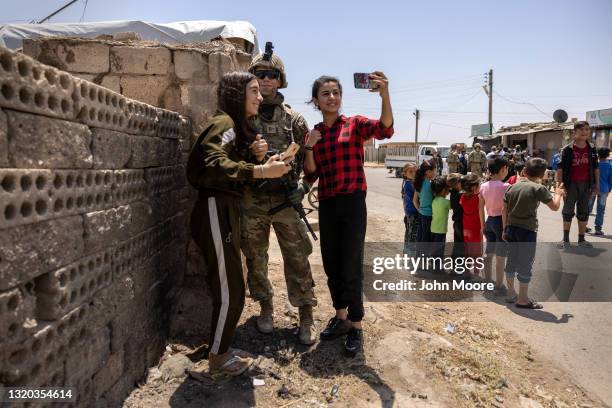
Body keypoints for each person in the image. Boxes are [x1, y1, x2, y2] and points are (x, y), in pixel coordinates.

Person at [186, 72, 291, 375]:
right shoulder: (225, 124)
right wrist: (259, 171)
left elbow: (228, 160)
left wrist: (256, 158)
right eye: (254, 91)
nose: (260, 97)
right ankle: (218, 361)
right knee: (230, 291)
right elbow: (213, 163)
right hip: (214, 208)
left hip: (224, 210)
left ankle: (222, 350)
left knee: (232, 287)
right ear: (236, 94)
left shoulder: (233, 127)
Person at [304, 72, 393, 357]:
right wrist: (308, 146)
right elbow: (311, 173)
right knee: (331, 263)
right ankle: (341, 317)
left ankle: (356, 325)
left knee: (351, 265)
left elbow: (384, 128)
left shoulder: (353, 125)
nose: (332, 97)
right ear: (316, 100)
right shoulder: (316, 132)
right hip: (328, 204)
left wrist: (385, 95)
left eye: (335, 92)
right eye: (325, 93)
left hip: (353, 203)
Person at [244, 47, 317, 344]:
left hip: (287, 201)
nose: (265, 80)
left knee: (298, 257)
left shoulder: (295, 120)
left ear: (280, 80)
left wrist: (302, 190)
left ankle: (306, 314)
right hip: (254, 200)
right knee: (256, 258)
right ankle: (265, 307)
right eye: (259, 75)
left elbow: (309, 164)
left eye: (271, 75)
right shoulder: (242, 119)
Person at [503, 158, 565, 309]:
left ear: (524, 171)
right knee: (525, 263)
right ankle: (523, 299)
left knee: (511, 260)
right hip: (527, 231)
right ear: (543, 174)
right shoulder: (539, 188)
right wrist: (558, 193)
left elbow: (504, 209)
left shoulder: (512, 187)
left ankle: (511, 293)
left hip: (511, 229)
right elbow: (555, 207)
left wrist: (504, 229)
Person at [556, 121, 600, 248]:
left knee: (584, 212)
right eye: (581, 129)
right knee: (567, 212)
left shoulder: (592, 149)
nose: (584, 132)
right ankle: (565, 240)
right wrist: (560, 186)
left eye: (587, 129)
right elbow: (560, 169)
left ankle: (581, 240)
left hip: (587, 185)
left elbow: (596, 168)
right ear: (574, 132)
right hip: (570, 185)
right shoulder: (566, 150)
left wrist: (596, 184)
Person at [479, 157, 509, 292]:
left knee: (489, 253)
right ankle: (498, 285)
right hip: (500, 222)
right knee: (501, 255)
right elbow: (505, 210)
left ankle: (487, 280)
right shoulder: (506, 187)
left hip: (489, 220)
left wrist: (482, 225)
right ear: (503, 169)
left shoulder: (483, 186)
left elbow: (480, 207)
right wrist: (505, 228)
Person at [460, 173, 482, 277]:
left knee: (467, 250)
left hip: (466, 227)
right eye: (479, 185)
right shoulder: (478, 198)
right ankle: (476, 273)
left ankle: (467, 270)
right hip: (476, 228)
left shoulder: (463, 198)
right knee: (477, 252)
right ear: (474, 187)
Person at [588, 147, 611, 235]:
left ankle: (584, 226)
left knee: (587, 208)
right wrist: (609, 190)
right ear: (608, 155)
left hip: (593, 189)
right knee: (601, 210)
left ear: (598, 155)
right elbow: (610, 180)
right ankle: (598, 229)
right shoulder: (610, 166)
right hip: (604, 189)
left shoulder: (595, 165)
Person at [413, 159, 437, 244]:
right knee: (426, 240)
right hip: (429, 215)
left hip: (422, 214)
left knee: (421, 237)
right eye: (434, 170)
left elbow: (414, 201)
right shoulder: (431, 185)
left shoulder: (419, 182)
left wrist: (420, 210)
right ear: (428, 172)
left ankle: (419, 256)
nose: (436, 172)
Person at [430, 176, 451, 268]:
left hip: (433, 228)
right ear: (443, 190)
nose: (448, 192)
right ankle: (437, 266)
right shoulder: (445, 202)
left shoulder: (434, 200)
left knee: (434, 247)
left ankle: (433, 262)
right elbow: (453, 206)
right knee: (440, 248)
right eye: (447, 190)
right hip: (441, 230)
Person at [402, 163, 419, 255]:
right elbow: (414, 200)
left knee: (409, 231)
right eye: (410, 172)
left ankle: (407, 252)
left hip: (409, 212)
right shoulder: (409, 185)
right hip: (413, 212)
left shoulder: (410, 183)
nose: (413, 173)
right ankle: (410, 253)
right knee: (412, 232)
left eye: (415, 171)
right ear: (405, 174)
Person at [447, 173, 464, 266]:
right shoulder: (459, 195)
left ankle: (454, 265)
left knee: (457, 243)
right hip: (460, 222)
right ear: (457, 184)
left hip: (457, 222)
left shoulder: (453, 193)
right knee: (461, 244)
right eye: (461, 182)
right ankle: (459, 266)